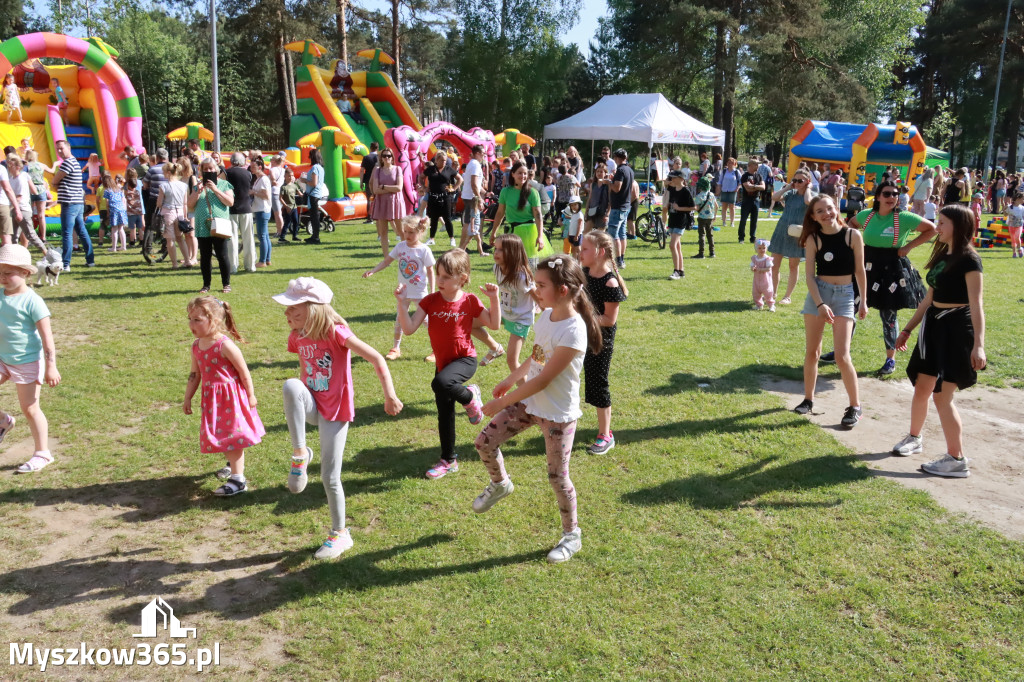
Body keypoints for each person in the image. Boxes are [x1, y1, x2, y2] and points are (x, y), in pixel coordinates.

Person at [471, 254, 601, 564]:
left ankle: (572, 536)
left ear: (564, 290)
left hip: (557, 414)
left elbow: (543, 379)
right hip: (529, 403)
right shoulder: (547, 316)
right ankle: (500, 484)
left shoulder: (573, 331)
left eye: (541, 285)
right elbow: (536, 358)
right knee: (484, 442)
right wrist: (509, 379)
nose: (534, 291)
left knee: (557, 477)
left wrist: (501, 402)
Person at [273, 277, 402, 558]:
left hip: (336, 412)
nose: (287, 314)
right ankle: (299, 454)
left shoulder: (337, 332)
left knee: (330, 477)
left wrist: (390, 395)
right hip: (312, 407)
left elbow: (377, 359)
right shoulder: (296, 337)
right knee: (292, 385)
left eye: (293, 309)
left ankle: (340, 534)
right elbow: (305, 372)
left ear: (314, 309)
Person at [892, 205, 985, 479]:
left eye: (942, 222)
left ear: (958, 225)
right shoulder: (944, 253)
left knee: (942, 395)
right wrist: (908, 329)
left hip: (957, 330)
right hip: (933, 327)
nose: (937, 227)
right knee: (923, 386)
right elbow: (927, 299)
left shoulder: (970, 260)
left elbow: (977, 305)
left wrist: (979, 344)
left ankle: (956, 459)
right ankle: (914, 438)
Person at [394, 249, 500, 479]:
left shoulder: (469, 300)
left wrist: (493, 298)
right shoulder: (430, 301)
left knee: (441, 382)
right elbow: (410, 329)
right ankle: (448, 460)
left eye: (445, 277)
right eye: (438, 275)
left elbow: (493, 325)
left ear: (462, 278)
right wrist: (402, 305)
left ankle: (470, 396)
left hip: (465, 359)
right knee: (444, 412)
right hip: (443, 362)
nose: (439, 281)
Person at [791, 195, 868, 427]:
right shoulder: (813, 239)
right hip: (819, 293)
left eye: (830, 208)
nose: (827, 214)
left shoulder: (853, 235)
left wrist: (863, 301)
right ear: (813, 216)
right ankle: (808, 399)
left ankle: (855, 406)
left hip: (845, 295)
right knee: (812, 351)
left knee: (842, 356)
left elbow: (860, 271)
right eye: (820, 211)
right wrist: (820, 304)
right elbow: (809, 277)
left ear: (837, 209)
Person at [848, 180, 936, 375]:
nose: (892, 198)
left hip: (891, 269)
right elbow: (851, 224)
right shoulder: (866, 215)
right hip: (866, 267)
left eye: (895, 194)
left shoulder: (904, 218)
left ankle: (890, 359)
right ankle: (841, 351)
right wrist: (855, 242)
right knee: (849, 309)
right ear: (878, 197)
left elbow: (932, 229)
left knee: (888, 314)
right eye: (887, 194)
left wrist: (908, 247)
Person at [183, 296, 264, 496]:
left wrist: (251, 395)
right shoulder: (196, 346)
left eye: (197, 320)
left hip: (231, 398)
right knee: (223, 434)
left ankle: (238, 480)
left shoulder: (225, 346)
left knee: (233, 436)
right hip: (212, 400)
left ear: (215, 321)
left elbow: (244, 372)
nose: (191, 324)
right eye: (190, 319)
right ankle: (232, 464)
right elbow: (195, 374)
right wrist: (187, 397)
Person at [0, 244, 60, 472]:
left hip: (27, 361)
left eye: (8, 273)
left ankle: (42, 454)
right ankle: (4, 422)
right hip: (2, 358)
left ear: (25, 272)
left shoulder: (32, 301)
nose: (3, 278)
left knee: (30, 408)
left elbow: (47, 339)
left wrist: (51, 367)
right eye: (0, 273)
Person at [578, 231, 627, 455]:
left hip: (600, 340)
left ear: (599, 252)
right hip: (580, 334)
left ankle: (605, 435)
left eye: (585, 249)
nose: (580, 252)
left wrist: (580, 318)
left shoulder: (610, 282)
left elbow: (608, 320)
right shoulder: (584, 272)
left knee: (598, 383)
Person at [364, 215, 435, 361]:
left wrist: (432, 292)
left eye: (411, 232)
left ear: (420, 231)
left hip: (420, 291)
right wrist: (373, 270)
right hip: (403, 292)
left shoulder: (424, 250)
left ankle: (437, 349)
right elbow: (387, 261)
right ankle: (396, 348)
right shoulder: (400, 246)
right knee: (399, 319)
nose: (407, 235)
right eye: (405, 232)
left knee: (427, 321)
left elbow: (430, 271)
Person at [477, 233, 535, 374]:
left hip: (520, 320)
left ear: (513, 252)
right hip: (503, 312)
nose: (496, 252)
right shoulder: (497, 268)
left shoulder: (521, 277)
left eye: (501, 250)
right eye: (495, 248)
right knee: (469, 323)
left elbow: (539, 297)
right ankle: (495, 348)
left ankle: (526, 394)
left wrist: (548, 314)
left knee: (512, 362)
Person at [491, 161, 553, 268]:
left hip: (530, 234)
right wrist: (493, 232)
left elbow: (538, 215)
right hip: (513, 234)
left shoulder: (533, 192)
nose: (523, 176)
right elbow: (500, 213)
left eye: (525, 173)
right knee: (512, 267)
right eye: (519, 173)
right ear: (513, 174)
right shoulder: (505, 192)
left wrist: (540, 236)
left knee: (530, 268)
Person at [188, 157, 235, 294]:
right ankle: (206, 285)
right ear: (201, 170)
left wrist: (215, 189)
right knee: (205, 256)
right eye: (205, 168)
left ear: (216, 169)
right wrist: (197, 193)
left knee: (222, 255)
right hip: (203, 224)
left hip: (219, 224)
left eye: (211, 168)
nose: (208, 170)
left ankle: (226, 284)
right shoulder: (197, 186)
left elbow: (230, 202)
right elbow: (190, 206)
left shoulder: (224, 184)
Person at [768, 169, 815, 305]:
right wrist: (788, 186)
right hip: (781, 231)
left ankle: (787, 296)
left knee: (793, 266)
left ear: (807, 181)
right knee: (774, 265)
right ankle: (773, 293)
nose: (797, 183)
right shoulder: (790, 194)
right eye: (795, 180)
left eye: (800, 181)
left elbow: (807, 201)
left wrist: (808, 188)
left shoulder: (811, 195)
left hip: (797, 234)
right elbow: (775, 197)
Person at [52, 139, 92, 270]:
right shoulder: (74, 162)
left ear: (68, 148)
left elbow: (54, 181)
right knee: (82, 231)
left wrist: (58, 183)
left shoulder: (67, 163)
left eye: (61, 148)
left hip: (69, 203)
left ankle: (66, 264)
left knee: (67, 233)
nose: (59, 151)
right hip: (77, 202)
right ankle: (90, 260)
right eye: (57, 149)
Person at [5, 156, 46, 255]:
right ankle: (13, 256)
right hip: (15, 209)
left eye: (11, 165)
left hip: (22, 210)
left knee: (30, 234)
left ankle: (46, 253)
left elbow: (19, 198)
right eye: (8, 165)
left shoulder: (20, 179)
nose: (9, 167)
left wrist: (8, 208)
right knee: (13, 235)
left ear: (17, 167)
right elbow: (33, 191)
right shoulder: (13, 178)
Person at [369, 146, 406, 255]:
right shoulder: (377, 170)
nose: (386, 158)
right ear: (381, 158)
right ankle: (386, 258)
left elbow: (399, 188)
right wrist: (391, 189)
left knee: (401, 231)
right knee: (383, 232)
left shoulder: (398, 169)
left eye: (389, 155)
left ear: (392, 157)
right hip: (381, 203)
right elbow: (375, 190)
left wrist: (384, 186)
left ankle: (405, 254)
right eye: (384, 156)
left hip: (396, 202)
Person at [223, 152, 255, 271]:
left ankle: (232, 266)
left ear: (232, 161)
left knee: (231, 239)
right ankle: (250, 265)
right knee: (248, 238)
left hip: (231, 209)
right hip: (246, 208)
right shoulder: (248, 173)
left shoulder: (227, 173)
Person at [603, 149, 635, 269]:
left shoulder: (620, 170)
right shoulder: (629, 170)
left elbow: (617, 188)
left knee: (613, 235)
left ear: (617, 158)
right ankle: (621, 259)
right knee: (622, 234)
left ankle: (614, 260)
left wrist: (608, 182)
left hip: (618, 206)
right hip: (626, 205)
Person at [156, 162, 191, 269]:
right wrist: (185, 216)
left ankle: (174, 264)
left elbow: (159, 203)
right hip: (180, 213)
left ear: (167, 173)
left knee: (170, 240)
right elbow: (185, 203)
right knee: (180, 238)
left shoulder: (164, 186)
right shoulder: (184, 185)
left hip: (167, 213)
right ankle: (187, 261)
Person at [422, 151, 461, 247]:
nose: (444, 162)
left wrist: (453, 189)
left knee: (447, 218)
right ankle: (431, 238)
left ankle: (452, 238)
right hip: (433, 196)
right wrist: (424, 187)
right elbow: (420, 177)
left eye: (445, 160)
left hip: (446, 197)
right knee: (434, 219)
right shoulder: (431, 169)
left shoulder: (449, 169)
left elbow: (460, 179)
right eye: (442, 160)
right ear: (437, 160)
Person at [664, 170, 694, 280]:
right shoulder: (672, 189)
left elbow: (693, 207)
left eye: (675, 178)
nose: (672, 179)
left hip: (681, 221)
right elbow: (665, 182)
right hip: (672, 220)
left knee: (672, 245)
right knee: (677, 246)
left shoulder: (686, 191)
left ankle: (676, 271)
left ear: (681, 179)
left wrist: (679, 208)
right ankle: (681, 270)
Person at [249, 157, 272, 268]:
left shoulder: (263, 179)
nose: (251, 169)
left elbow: (266, 195)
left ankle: (262, 261)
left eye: (254, 167)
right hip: (261, 209)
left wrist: (254, 192)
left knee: (262, 236)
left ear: (260, 167)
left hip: (262, 210)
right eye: (251, 167)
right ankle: (267, 259)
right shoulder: (259, 178)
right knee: (265, 236)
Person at [23, 150, 49, 243]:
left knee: (29, 215)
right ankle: (43, 237)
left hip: (30, 189)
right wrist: (55, 164)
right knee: (41, 215)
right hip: (41, 189)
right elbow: (52, 171)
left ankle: (29, 237)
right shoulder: (41, 165)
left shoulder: (26, 166)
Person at [692, 176, 718, 259]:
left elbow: (697, 208)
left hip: (702, 217)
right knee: (710, 235)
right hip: (710, 217)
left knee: (702, 235)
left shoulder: (699, 196)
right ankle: (712, 252)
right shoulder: (712, 195)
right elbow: (716, 206)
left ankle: (701, 253)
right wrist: (715, 215)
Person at [102, 173, 128, 253]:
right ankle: (123, 246)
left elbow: (107, 202)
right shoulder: (118, 189)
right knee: (121, 228)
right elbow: (123, 199)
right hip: (122, 209)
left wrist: (108, 210)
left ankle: (114, 247)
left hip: (114, 210)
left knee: (114, 229)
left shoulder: (107, 191)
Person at [716, 157, 742, 234]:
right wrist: (718, 190)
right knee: (724, 206)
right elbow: (720, 181)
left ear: (734, 164)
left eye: (731, 163)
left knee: (732, 207)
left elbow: (740, 181)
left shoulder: (737, 172)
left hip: (733, 191)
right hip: (724, 190)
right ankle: (724, 221)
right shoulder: (724, 171)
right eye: (729, 162)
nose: (730, 164)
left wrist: (737, 188)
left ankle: (732, 222)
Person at [583, 165, 610, 234]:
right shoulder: (593, 184)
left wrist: (607, 214)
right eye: (597, 171)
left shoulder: (608, 185)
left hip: (602, 212)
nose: (599, 173)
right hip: (592, 211)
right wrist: (586, 212)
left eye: (601, 172)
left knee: (600, 236)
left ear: (605, 173)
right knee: (585, 233)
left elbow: (611, 200)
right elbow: (590, 198)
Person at [277, 168, 301, 243]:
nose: (291, 177)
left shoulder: (294, 185)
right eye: (289, 176)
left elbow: (300, 194)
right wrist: (286, 206)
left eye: (292, 176)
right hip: (287, 208)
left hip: (294, 207)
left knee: (296, 222)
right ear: (285, 176)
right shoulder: (283, 187)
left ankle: (295, 236)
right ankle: (282, 237)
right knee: (287, 222)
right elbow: (280, 198)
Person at [750, 239, 775, 311]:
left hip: (765, 280)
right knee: (756, 292)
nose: (762, 250)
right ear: (756, 249)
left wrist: (760, 269)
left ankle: (771, 305)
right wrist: (753, 268)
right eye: (759, 248)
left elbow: (768, 268)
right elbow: (752, 266)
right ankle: (759, 305)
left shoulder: (767, 259)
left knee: (768, 292)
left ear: (766, 248)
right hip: (757, 280)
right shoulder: (754, 258)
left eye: (764, 248)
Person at [124, 168, 145, 248]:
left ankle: (133, 241)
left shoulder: (127, 184)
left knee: (132, 227)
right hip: (140, 206)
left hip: (131, 209)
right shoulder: (139, 182)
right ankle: (142, 240)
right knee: (141, 225)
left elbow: (125, 195)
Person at [360, 142, 379, 223]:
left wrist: (361, 182)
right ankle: (379, 216)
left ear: (370, 148)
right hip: (379, 181)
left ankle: (370, 217)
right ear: (377, 148)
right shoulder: (380, 157)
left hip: (368, 181)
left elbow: (361, 170)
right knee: (379, 199)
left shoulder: (366, 157)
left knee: (369, 199)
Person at [267, 155, 286, 238]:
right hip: (282, 192)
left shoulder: (272, 170)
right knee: (279, 213)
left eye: (271, 160)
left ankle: (280, 231)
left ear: (274, 161)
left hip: (275, 192)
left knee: (277, 213)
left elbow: (273, 181)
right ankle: (281, 230)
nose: (270, 162)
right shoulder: (284, 170)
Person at [1006, 192, 1024, 257]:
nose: (1023, 200)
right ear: (1017, 199)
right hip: (1011, 225)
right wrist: (1005, 209)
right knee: (1013, 239)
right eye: (1022, 199)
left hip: (1019, 225)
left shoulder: (1022, 208)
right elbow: (1005, 214)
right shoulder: (1010, 207)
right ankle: (1014, 252)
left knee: (1017, 237)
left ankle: (1019, 249)